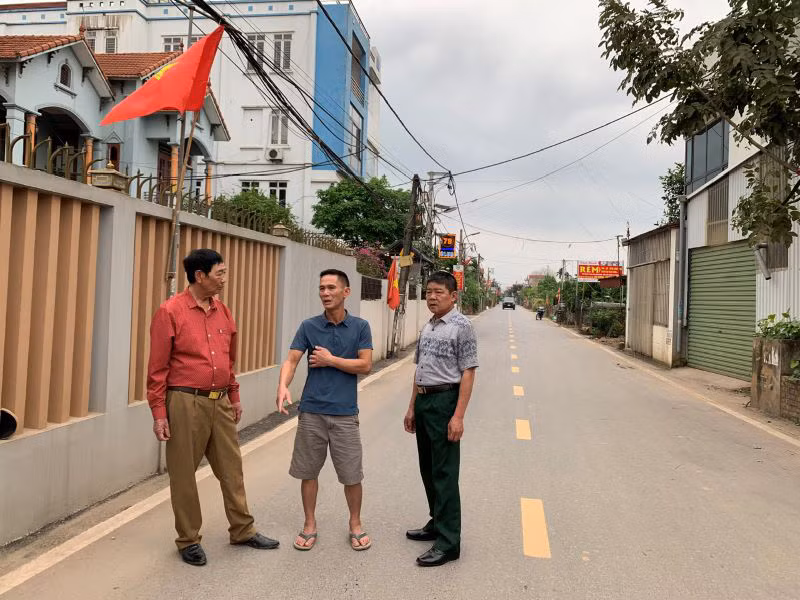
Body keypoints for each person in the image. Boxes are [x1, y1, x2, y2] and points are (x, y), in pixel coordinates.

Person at [147, 248, 279, 567]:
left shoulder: (223, 310)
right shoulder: (171, 311)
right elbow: (157, 369)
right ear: (200, 276)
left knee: (232, 469)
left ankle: (243, 530)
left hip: (219, 400)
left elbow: (227, 359)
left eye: (224, 272)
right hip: (184, 401)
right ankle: (188, 539)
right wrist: (159, 412)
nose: (224, 279)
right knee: (184, 474)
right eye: (219, 273)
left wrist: (233, 395)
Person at [276, 269, 373, 552]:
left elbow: (365, 365)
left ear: (346, 292)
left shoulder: (360, 327)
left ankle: (355, 524)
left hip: (345, 413)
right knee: (309, 472)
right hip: (311, 412)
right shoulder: (309, 326)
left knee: (352, 474)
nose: (325, 293)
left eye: (331, 288)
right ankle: (309, 524)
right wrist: (283, 385)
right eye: (322, 288)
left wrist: (331, 360)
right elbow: (292, 360)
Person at [404, 270, 478, 567]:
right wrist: (412, 407)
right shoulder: (429, 326)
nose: (432, 297)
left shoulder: (462, 327)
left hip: (445, 400)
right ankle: (437, 522)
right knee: (428, 468)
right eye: (429, 292)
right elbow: (419, 368)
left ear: (453, 296)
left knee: (445, 474)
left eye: (439, 292)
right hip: (424, 400)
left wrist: (458, 416)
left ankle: (449, 543)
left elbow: (469, 371)